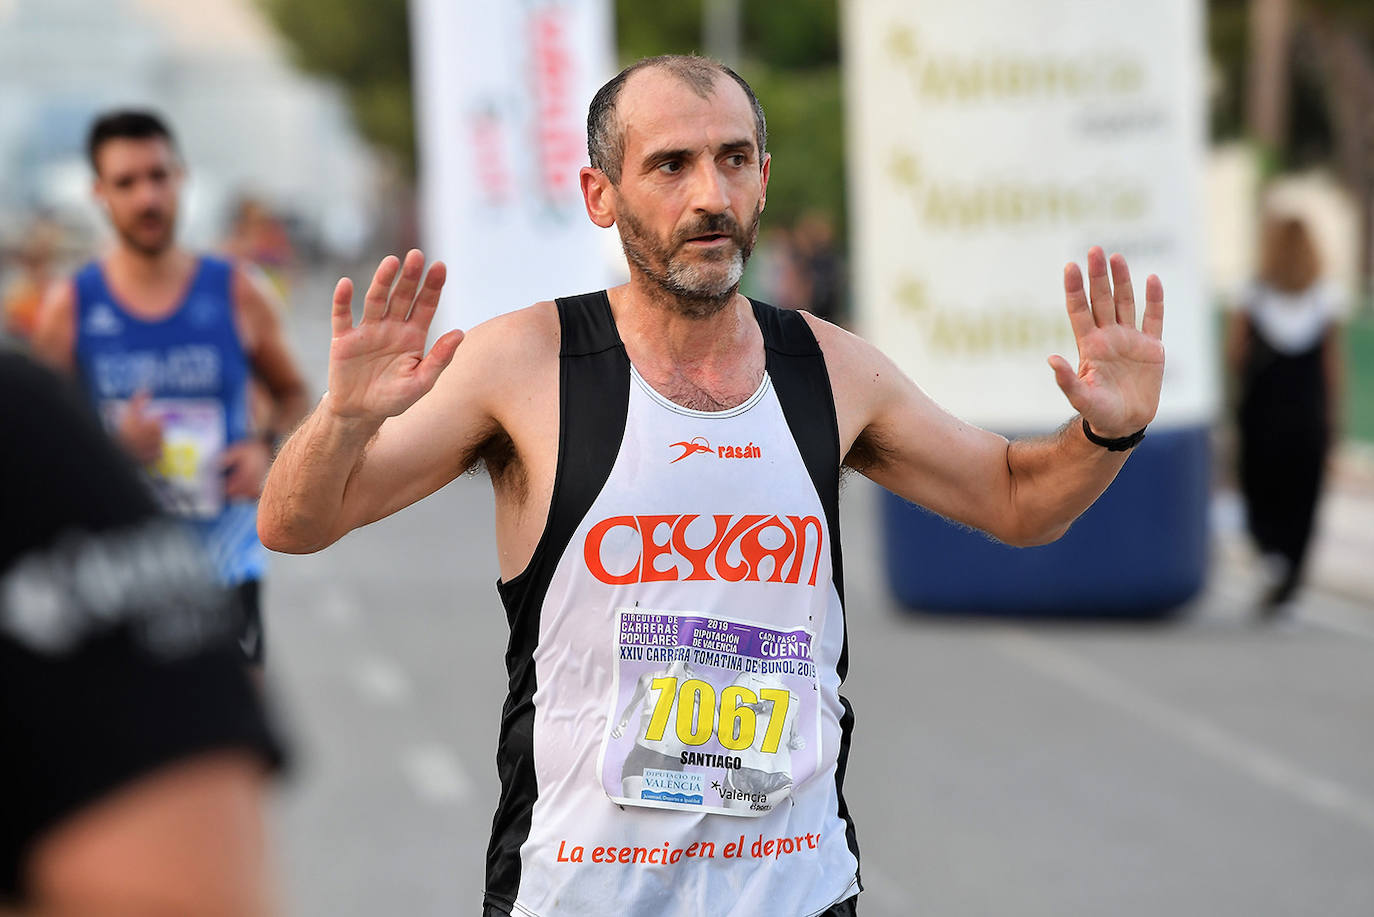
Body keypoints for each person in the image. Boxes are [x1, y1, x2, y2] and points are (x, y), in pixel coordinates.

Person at [259, 55, 1165, 917]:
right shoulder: (524, 363)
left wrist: (1107, 429)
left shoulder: (831, 369)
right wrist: (343, 418)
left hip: (794, 890)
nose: (710, 195)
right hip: (580, 891)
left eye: (734, 160)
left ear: (764, 177)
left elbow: (1016, 499)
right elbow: (296, 522)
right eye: (670, 165)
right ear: (598, 193)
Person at [0, 350, 283, 915]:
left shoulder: (21, 428)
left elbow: (189, 894)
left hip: (192, 543)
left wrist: (267, 445)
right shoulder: (66, 304)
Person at [32, 110, 309, 667]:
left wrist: (267, 452)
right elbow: (38, 441)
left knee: (231, 729)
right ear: (100, 194)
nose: (147, 199)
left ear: (180, 177)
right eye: (126, 183)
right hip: (118, 563)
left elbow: (294, 397)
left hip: (224, 553)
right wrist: (109, 446)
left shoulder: (235, 291)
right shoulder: (72, 307)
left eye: (158, 176)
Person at [1227, 213, 1344, 616]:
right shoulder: (1325, 298)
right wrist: (1335, 420)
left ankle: (1269, 554)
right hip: (1306, 415)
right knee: (1303, 496)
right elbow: (1332, 368)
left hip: (1263, 412)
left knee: (1261, 488)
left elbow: (1236, 355)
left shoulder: (1251, 295)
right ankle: (1289, 578)